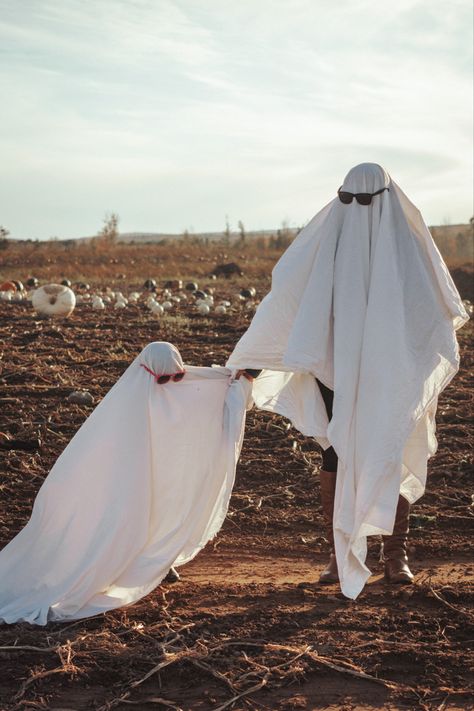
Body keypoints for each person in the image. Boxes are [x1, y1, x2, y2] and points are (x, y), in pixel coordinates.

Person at [228, 163, 468, 600]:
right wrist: (254, 362)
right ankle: (340, 554)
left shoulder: (407, 245)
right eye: (349, 200)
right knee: (338, 453)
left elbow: (430, 307)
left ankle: (395, 555)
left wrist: (415, 364)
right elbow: (289, 303)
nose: (357, 210)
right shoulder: (327, 241)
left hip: (392, 371)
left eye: (364, 201)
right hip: (335, 369)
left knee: (391, 445)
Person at [0, 342, 251, 625]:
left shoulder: (172, 394)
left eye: (177, 378)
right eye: (164, 379)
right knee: (122, 526)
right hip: (123, 486)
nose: (170, 385)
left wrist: (234, 384)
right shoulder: (122, 409)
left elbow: (200, 402)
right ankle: (124, 567)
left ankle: (153, 563)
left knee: (159, 513)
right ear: (149, 373)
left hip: (158, 478)